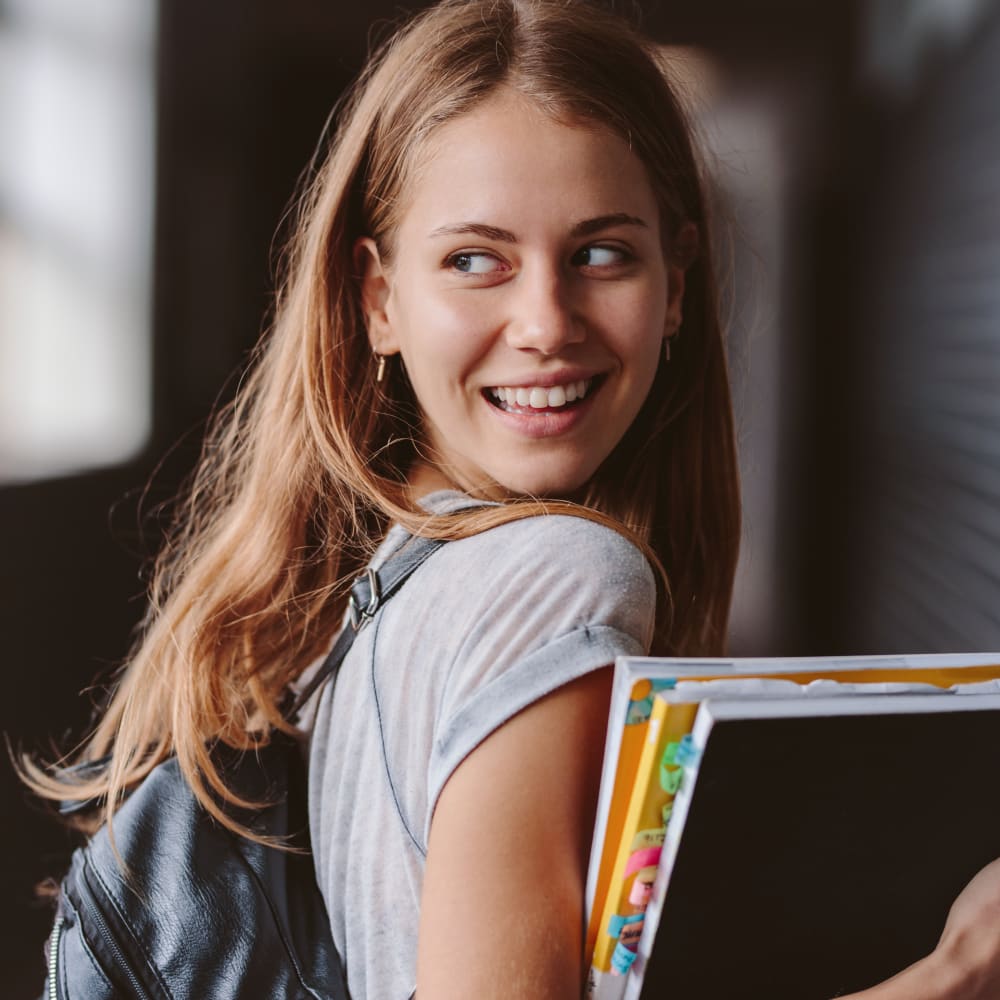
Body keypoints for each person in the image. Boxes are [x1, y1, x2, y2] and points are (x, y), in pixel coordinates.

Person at [22, 1, 1000, 998]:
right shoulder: (552, 577)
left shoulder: (361, 586)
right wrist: (952, 977)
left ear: (675, 284)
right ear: (379, 299)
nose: (544, 322)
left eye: (601, 253)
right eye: (474, 260)